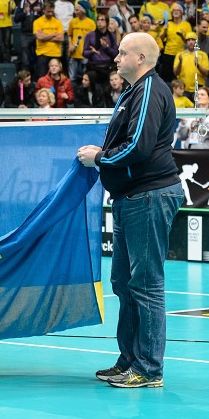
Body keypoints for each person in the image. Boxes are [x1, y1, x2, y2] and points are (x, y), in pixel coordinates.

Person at [77, 32, 183, 389]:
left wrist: (100, 158)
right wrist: (104, 150)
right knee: (123, 282)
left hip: (149, 197)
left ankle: (149, 369)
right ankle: (130, 360)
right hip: (131, 197)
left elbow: (139, 147)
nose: (116, 58)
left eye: (122, 53)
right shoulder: (133, 92)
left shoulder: (150, 89)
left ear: (140, 58)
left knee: (146, 284)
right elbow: (127, 141)